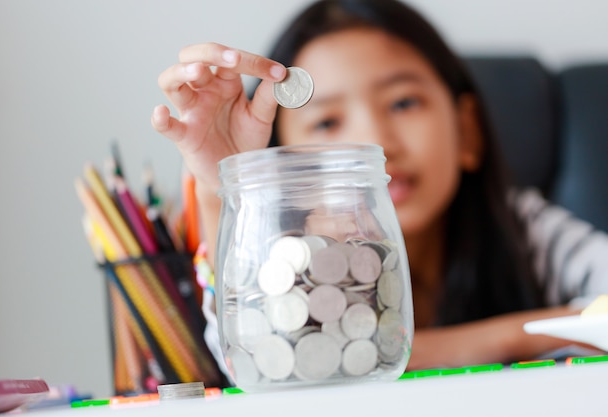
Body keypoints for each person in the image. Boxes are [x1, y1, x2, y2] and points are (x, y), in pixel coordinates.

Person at [151, 0, 608, 371]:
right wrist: (231, 190)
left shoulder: (522, 228)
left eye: (404, 102)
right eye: (328, 120)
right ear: (286, 159)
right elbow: (259, 352)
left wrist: (480, 341)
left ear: (467, 131)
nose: (376, 143)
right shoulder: (282, 254)